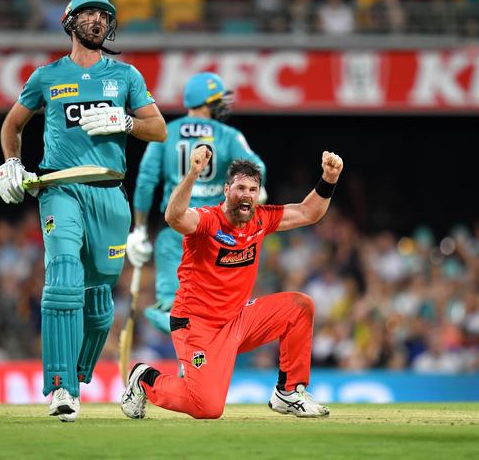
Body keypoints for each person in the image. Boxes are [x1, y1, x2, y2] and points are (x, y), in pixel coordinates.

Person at [0, 0, 167, 423]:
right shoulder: (47, 76)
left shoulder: (125, 76)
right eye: (88, 14)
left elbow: (159, 129)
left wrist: (124, 121)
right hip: (60, 190)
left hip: (110, 194)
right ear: (70, 22)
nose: (97, 20)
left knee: (98, 300)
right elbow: (13, 124)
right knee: (64, 275)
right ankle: (60, 389)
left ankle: (76, 375)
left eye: (104, 15)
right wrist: (12, 163)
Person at [121, 146, 343, 420]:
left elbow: (309, 212)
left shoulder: (261, 218)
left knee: (299, 306)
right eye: (240, 188)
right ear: (226, 190)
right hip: (197, 325)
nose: (246, 194)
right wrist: (193, 173)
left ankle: (288, 392)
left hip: (238, 319)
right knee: (208, 408)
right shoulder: (207, 221)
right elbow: (174, 217)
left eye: (252, 189)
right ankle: (144, 378)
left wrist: (329, 178)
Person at [126, 72, 266, 337]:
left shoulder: (166, 133)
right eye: (217, 99)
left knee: (173, 301)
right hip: (216, 233)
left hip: (176, 229)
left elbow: (145, 181)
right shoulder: (227, 135)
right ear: (206, 102)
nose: (222, 104)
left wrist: (141, 229)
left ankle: (170, 312)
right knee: (210, 312)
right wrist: (260, 190)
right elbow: (258, 168)